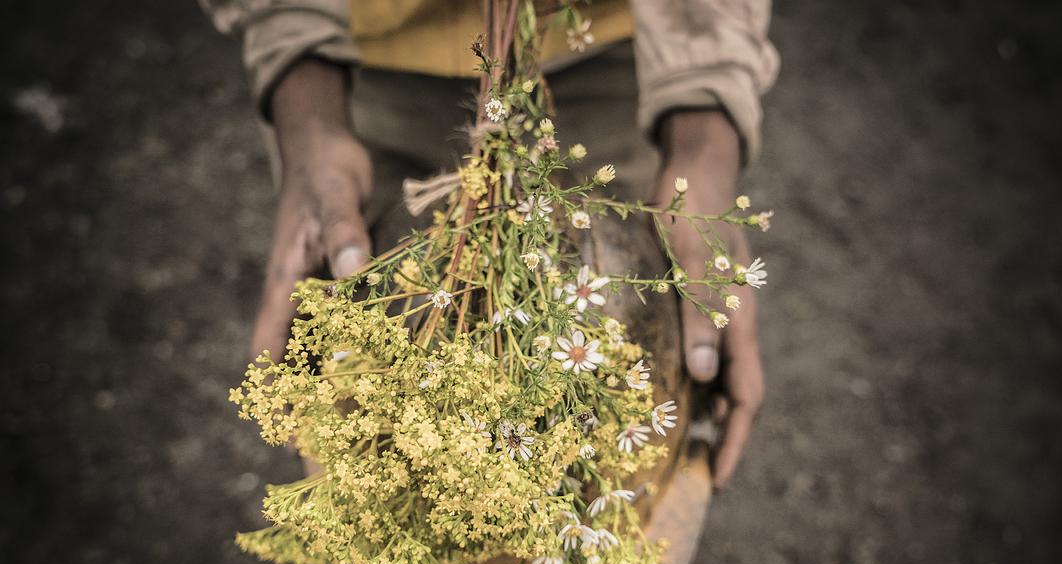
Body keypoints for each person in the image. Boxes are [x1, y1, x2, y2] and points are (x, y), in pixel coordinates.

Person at [200, 0, 778, 489]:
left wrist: (704, 113)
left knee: (611, 393)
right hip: (354, 61)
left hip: (624, 53)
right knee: (381, 384)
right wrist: (301, 84)